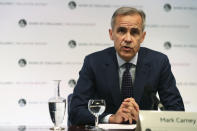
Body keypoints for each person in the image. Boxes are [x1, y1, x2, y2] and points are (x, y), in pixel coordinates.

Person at [69, 7, 184, 125]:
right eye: (121, 31)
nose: (128, 39)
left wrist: (143, 118)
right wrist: (111, 118)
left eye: (134, 32)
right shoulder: (93, 62)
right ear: (111, 34)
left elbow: (177, 111)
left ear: (142, 37)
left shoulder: (159, 62)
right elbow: (75, 111)